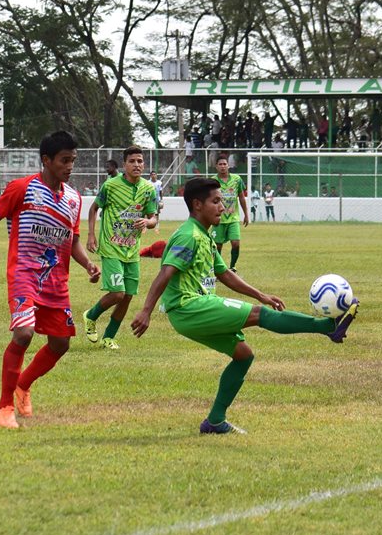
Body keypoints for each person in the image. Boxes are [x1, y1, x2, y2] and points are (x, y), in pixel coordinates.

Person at [129, 177, 358, 434]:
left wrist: (260, 294)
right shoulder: (188, 236)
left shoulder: (203, 235)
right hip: (187, 306)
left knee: (243, 355)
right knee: (261, 316)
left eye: (223, 202)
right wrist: (146, 310)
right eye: (215, 202)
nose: (223, 207)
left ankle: (215, 420)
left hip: (195, 309)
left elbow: (224, 274)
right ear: (197, 205)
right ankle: (327, 326)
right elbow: (166, 272)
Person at [0, 131, 100, 430]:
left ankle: (23, 385)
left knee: (61, 344)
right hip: (24, 276)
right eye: (64, 160)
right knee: (23, 335)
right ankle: (4, 406)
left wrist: (87, 264)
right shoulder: (22, 188)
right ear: (46, 160)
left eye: (73, 160)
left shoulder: (73, 198)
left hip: (56, 281)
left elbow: (71, 241)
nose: (70, 167)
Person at [82, 146, 158, 350]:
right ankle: (90, 316)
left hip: (132, 250)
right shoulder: (111, 186)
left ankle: (108, 338)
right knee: (117, 293)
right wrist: (90, 235)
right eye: (132, 161)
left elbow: (153, 218)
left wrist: (147, 222)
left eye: (140, 161)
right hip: (111, 246)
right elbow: (93, 208)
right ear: (124, 164)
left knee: (127, 297)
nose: (137, 165)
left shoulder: (148, 189)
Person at [212, 155, 247, 270]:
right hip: (218, 218)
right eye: (220, 164)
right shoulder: (213, 181)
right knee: (217, 246)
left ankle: (232, 267)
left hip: (233, 218)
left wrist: (246, 214)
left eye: (224, 164)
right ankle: (218, 269)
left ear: (228, 165)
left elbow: (241, 197)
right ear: (216, 166)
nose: (223, 166)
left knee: (236, 243)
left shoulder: (237, 179)